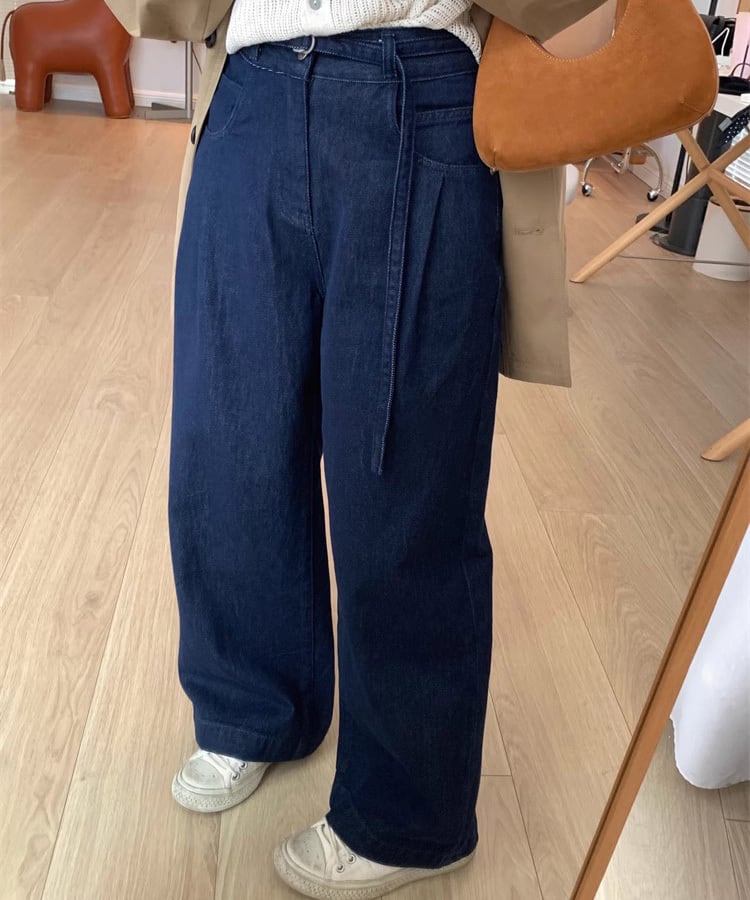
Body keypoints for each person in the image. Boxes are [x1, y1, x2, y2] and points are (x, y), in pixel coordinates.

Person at [102, 0, 606, 897]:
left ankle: (411, 816)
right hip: (249, 86)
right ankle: (257, 706)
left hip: (418, 85)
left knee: (403, 473)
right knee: (230, 445)